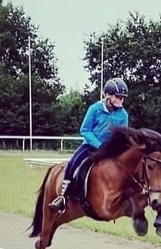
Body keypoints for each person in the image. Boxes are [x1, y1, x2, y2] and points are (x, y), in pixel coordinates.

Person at [48, 77, 129, 212]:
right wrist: (98, 144)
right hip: (91, 146)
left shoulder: (123, 115)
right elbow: (85, 130)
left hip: (112, 149)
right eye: (118, 97)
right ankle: (63, 196)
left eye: (122, 98)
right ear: (107, 95)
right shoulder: (95, 109)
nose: (120, 101)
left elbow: (123, 136)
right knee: (73, 163)